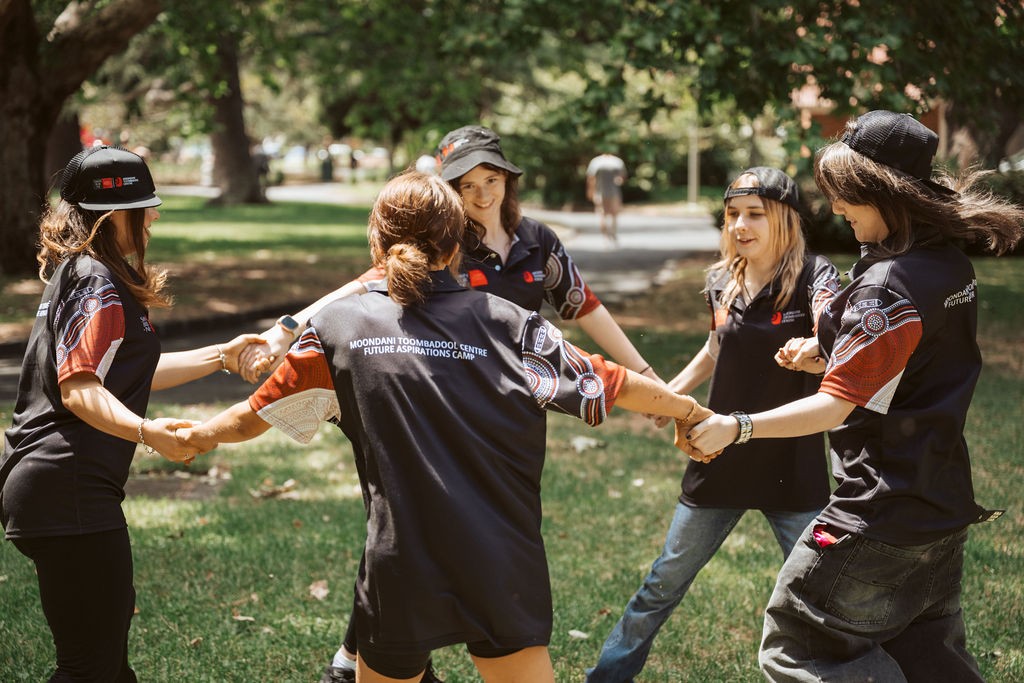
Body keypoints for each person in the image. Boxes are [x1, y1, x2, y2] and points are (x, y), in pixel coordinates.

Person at [176, 171, 716, 683]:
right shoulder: (512, 324)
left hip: (399, 563)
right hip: (502, 560)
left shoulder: (336, 328)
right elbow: (613, 382)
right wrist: (689, 412)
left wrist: (195, 436)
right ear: (457, 245)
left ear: (375, 244)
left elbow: (252, 417)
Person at [687, 111, 1024, 682]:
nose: (837, 210)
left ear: (882, 192)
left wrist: (736, 426)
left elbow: (835, 405)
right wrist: (824, 352)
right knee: (927, 658)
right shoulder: (947, 265)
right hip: (940, 506)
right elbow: (907, 358)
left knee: (798, 646)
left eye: (845, 196)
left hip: (878, 510)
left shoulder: (886, 285)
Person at [0, 145, 261, 681]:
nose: (156, 216)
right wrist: (148, 432)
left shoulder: (80, 274)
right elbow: (78, 388)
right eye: (149, 205)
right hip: (67, 491)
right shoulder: (96, 282)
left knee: (107, 666)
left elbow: (129, 373)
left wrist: (221, 355)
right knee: (89, 668)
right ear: (117, 215)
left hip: (55, 491)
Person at [586, 167, 841, 682]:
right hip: (717, 453)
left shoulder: (817, 277)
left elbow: (831, 328)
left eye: (755, 214)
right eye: (732, 215)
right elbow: (714, 348)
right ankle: (606, 678)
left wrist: (816, 347)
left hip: (791, 460)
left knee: (823, 592)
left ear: (786, 219)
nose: (740, 225)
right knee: (663, 582)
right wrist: (671, 397)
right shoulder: (721, 279)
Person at [586, 152, 627, 244]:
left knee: (602, 214)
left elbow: (591, 178)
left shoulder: (596, 162)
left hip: (600, 192)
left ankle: (605, 237)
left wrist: (590, 191)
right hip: (614, 192)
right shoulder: (617, 162)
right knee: (614, 214)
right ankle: (613, 233)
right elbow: (622, 178)